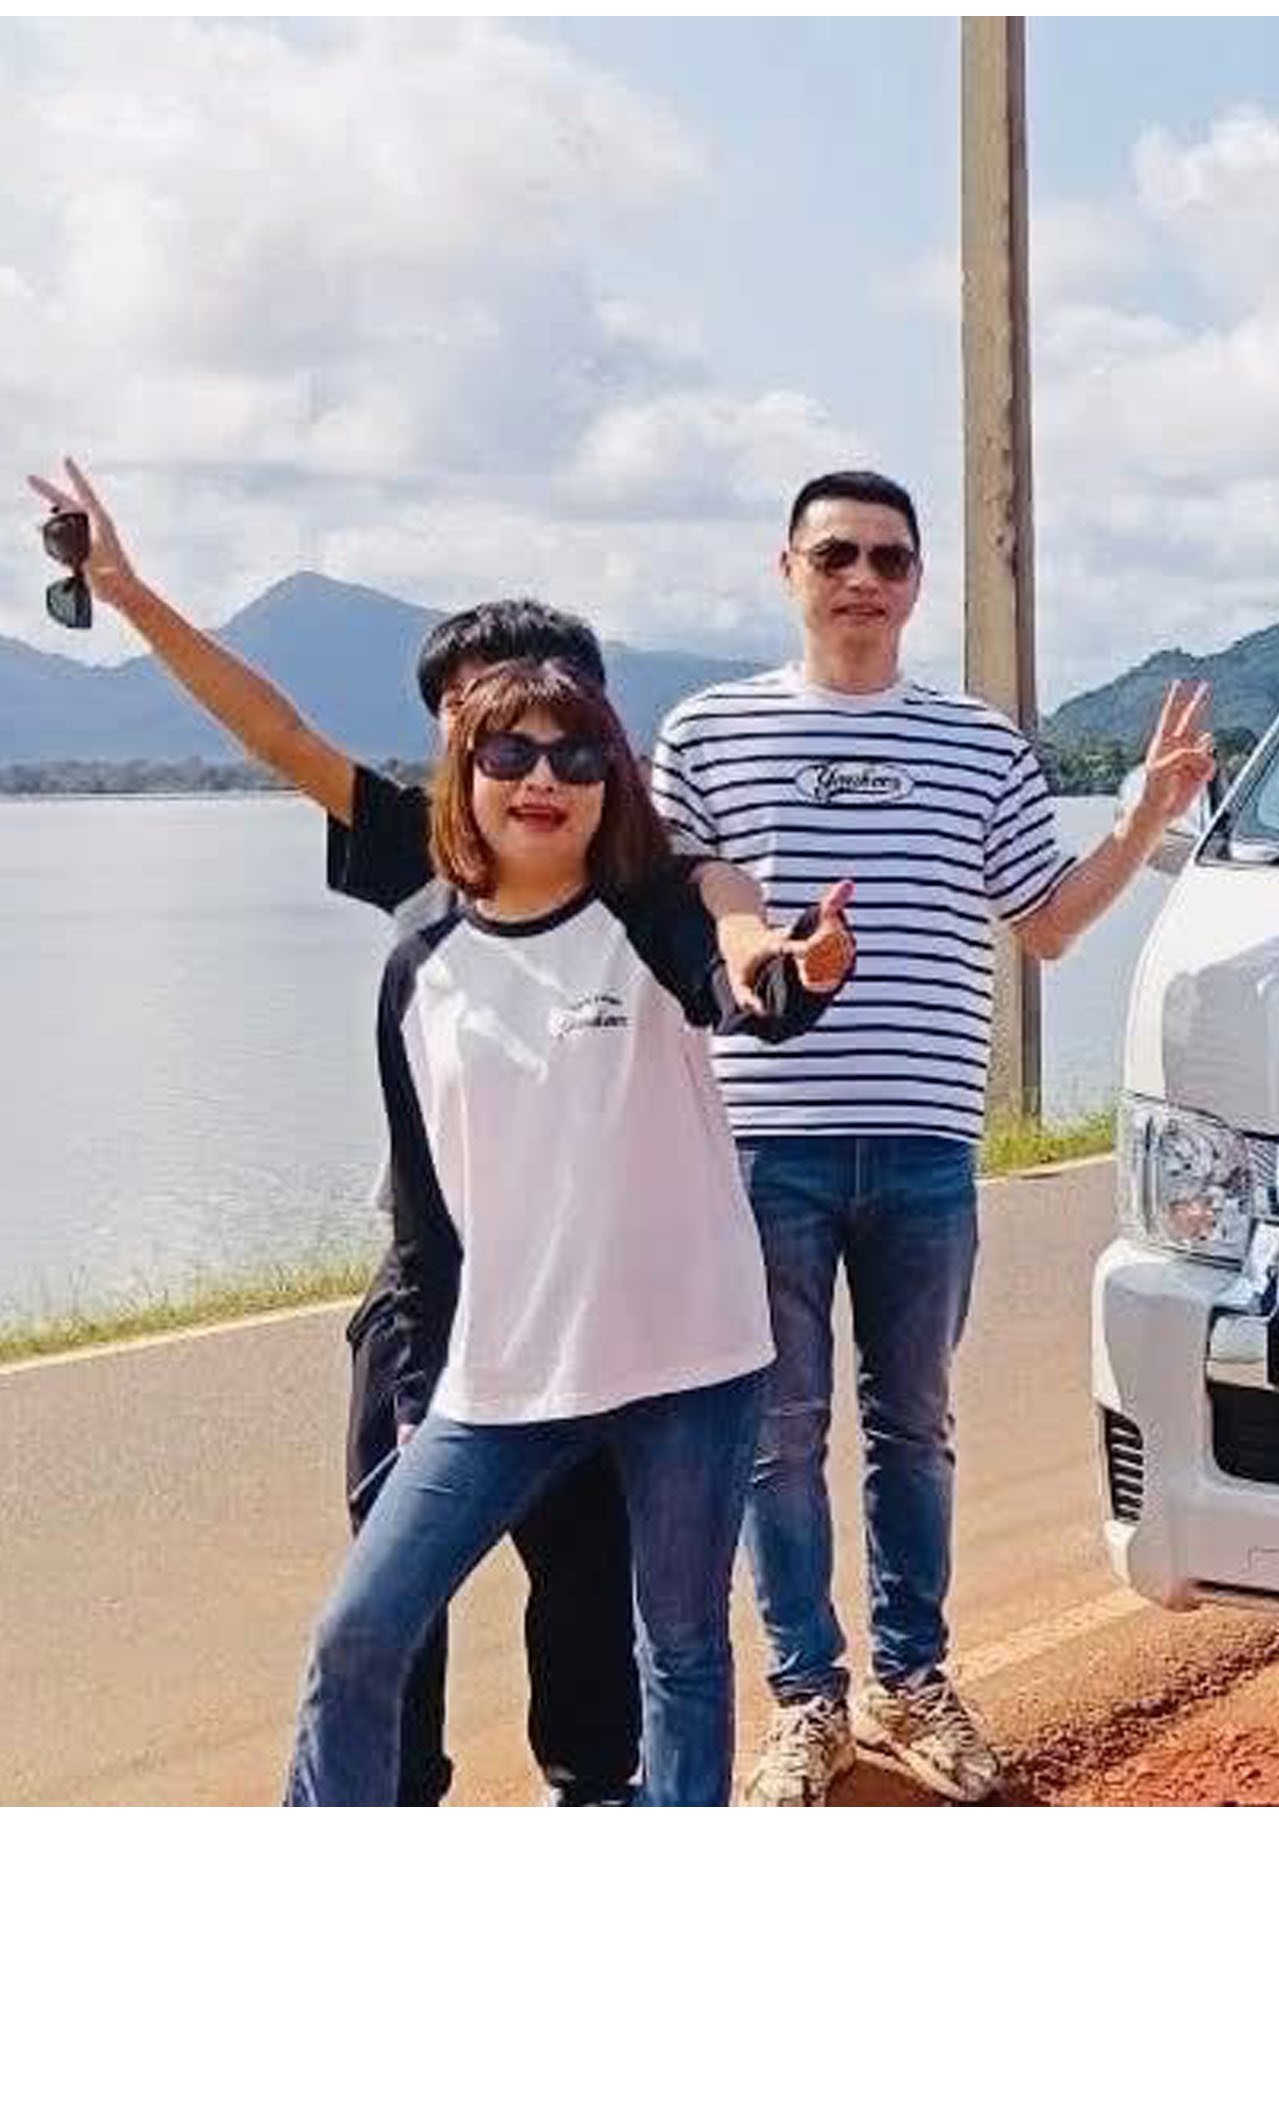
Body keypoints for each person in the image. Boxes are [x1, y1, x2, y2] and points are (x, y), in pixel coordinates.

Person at [25, 458, 778, 1806]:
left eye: (563, 729)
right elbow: (275, 731)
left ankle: (596, 1790)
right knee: (389, 1580)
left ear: (604, 743)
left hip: (627, 1308)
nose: (528, 757)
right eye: (489, 727)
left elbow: (729, 931)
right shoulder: (424, 877)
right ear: (451, 742)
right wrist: (129, 596)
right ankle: (386, 1805)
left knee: (603, 1586)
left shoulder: (637, 888)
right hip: (447, 1288)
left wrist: (768, 952)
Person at [647, 469, 1217, 1805]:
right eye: (835, 554)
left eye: (889, 560)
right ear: (787, 568)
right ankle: (806, 1701)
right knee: (776, 1436)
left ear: (916, 582)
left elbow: (1049, 924)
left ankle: (911, 1682)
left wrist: (1140, 818)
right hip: (760, 1139)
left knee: (914, 1428)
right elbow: (674, 909)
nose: (862, 579)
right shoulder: (706, 732)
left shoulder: (978, 745)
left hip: (923, 1141)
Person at [284, 657, 853, 1804]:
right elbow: (427, 1216)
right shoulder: (420, 960)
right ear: (464, 773)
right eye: (511, 753)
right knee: (359, 1631)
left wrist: (797, 974)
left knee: (679, 1646)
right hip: (506, 1376)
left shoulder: (649, 913)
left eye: (576, 756)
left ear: (609, 783)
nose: (543, 778)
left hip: (690, 1360)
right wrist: (421, 1387)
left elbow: (745, 980)